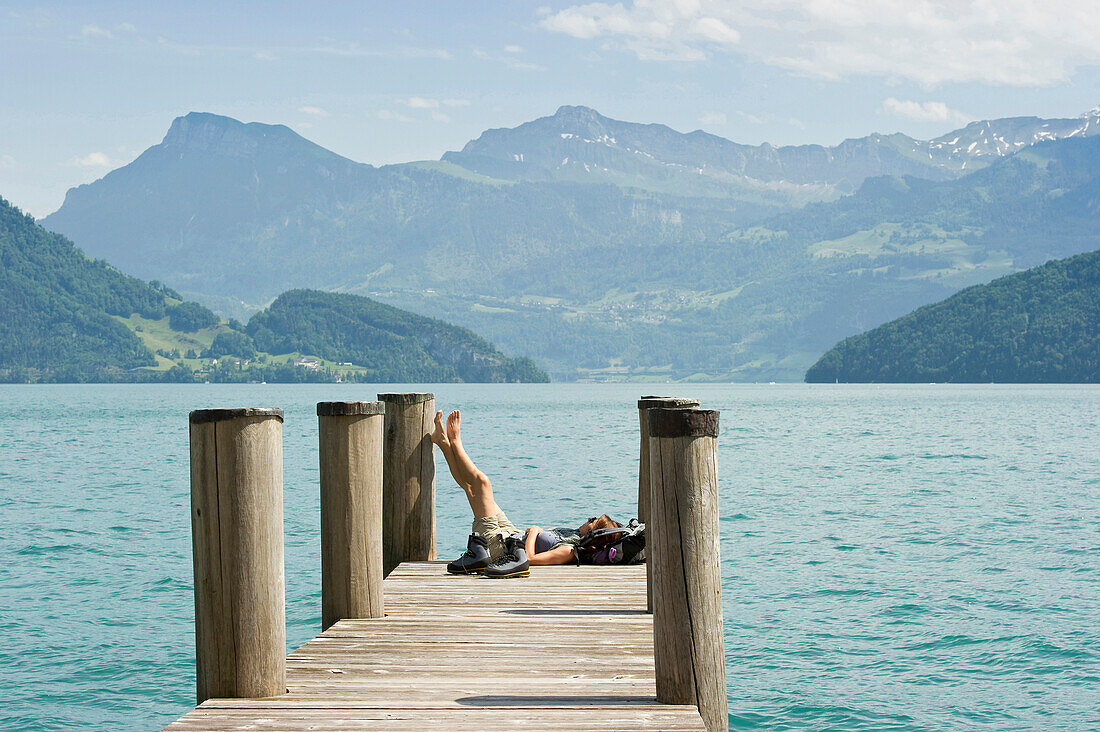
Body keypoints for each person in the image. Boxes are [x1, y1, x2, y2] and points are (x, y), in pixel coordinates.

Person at [430, 409, 621, 578]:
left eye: (592, 521)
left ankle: (455, 442)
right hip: (511, 533)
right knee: (473, 490)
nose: (588, 520)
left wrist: (535, 532)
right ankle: (443, 443)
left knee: (482, 483)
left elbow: (530, 558)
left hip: (500, 549)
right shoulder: (571, 535)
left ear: (592, 534)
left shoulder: (571, 551)